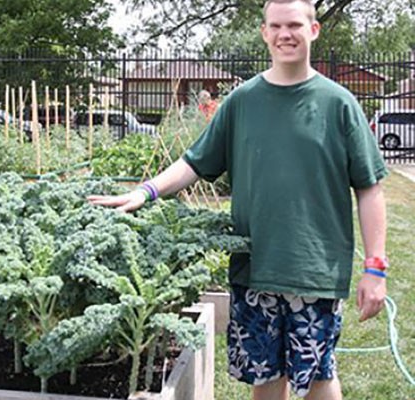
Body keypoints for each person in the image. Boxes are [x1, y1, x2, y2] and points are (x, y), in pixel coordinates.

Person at [87, 0, 389, 399]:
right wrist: (146, 191)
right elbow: (194, 163)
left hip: (314, 270)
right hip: (254, 267)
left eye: (295, 25)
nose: (286, 34)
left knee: (318, 376)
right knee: (264, 378)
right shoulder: (242, 102)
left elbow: (369, 189)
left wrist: (375, 268)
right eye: (277, 26)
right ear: (264, 33)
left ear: (313, 31)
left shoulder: (339, 104)